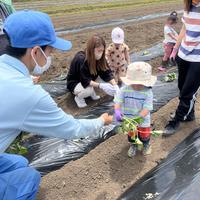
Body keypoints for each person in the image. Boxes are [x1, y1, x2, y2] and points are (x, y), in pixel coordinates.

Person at [0, 10, 113, 198]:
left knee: (18, 163)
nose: (50, 57)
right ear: (35, 51)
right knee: (28, 177)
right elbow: (72, 129)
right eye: (50, 51)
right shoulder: (29, 94)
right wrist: (101, 120)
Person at [164, 0, 200, 136]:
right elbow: (185, 28)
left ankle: (176, 120)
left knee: (187, 93)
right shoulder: (189, 6)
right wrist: (175, 49)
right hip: (183, 54)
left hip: (198, 59)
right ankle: (189, 114)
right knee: (182, 86)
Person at [114, 62, 157, 157]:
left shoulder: (148, 92)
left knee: (144, 134)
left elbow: (147, 108)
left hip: (143, 119)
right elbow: (118, 101)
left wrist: (138, 119)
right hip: (129, 119)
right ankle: (133, 145)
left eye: (140, 84)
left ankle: (146, 144)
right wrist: (117, 111)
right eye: (134, 84)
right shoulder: (124, 90)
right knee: (132, 134)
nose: (137, 86)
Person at [67, 35, 119, 108]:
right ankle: (79, 98)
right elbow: (85, 79)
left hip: (89, 79)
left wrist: (115, 85)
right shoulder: (81, 59)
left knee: (101, 84)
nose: (101, 53)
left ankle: (91, 91)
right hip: (76, 82)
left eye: (102, 50)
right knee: (88, 91)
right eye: (99, 50)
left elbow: (106, 72)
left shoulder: (100, 57)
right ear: (91, 49)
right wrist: (101, 85)